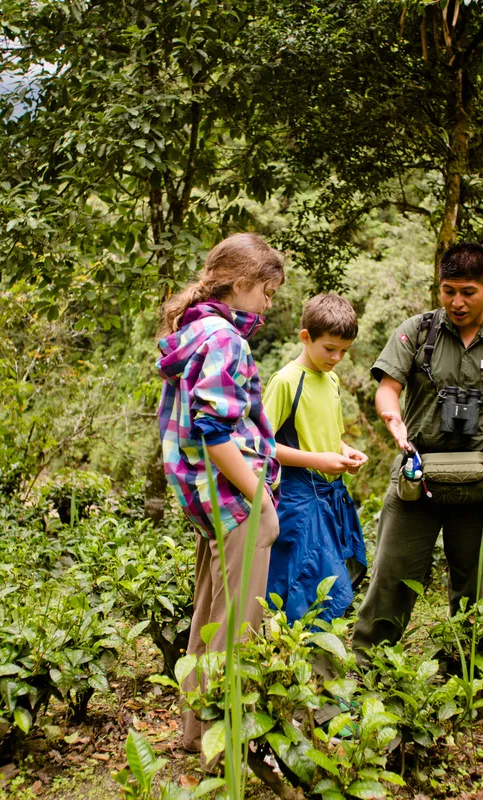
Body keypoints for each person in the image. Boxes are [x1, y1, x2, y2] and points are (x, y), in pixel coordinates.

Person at [352, 242, 483, 659]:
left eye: (468, 292)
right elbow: (388, 388)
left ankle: (465, 670)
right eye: (448, 291)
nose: (457, 302)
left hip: (480, 483)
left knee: (475, 583)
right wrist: (392, 419)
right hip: (417, 477)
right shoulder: (418, 330)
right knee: (392, 576)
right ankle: (368, 664)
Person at [155, 232, 285, 754]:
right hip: (235, 500)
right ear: (242, 284)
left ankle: (194, 736)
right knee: (238, 628)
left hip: (208, 501)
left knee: (211, 618)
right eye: (267, 293)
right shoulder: (226, 338)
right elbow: (214, 433)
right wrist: (261, 499)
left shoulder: (195, 330)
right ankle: (225, 750)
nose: (268, 305)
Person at [262, 293, 369, 622]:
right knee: (307, 585)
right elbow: (261, 446)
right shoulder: (285, 381)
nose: (337, 358)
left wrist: (344, 451)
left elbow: (332, 436)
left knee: (330, 581)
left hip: (330, 496)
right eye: (330, 348)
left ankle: (320, 667)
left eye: (344, 351)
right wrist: (316, 460)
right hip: (298, 498)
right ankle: (304, 667)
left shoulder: (332, 380)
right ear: (305, 338)